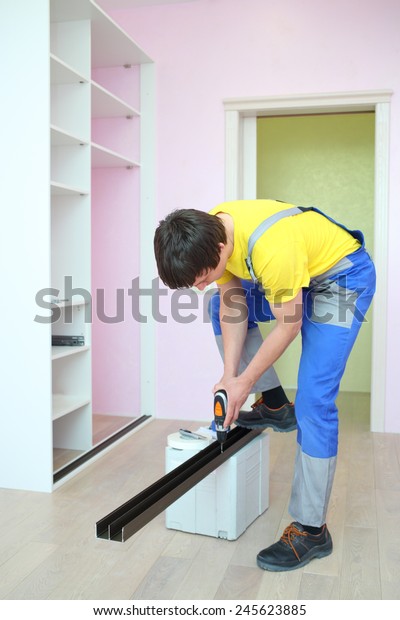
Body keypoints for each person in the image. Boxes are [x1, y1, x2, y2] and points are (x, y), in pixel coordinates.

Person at [153, 199, 376, 572]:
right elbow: (231, 301)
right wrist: (230, 377)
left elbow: (289, 325)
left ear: (221, 249)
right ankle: (274, 404)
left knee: (314, 402)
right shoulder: (212, 230)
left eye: (203, 278)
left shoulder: (273, 250)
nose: (200, 285)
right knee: (216, 308)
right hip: (299, 273)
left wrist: (245, 382)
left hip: (340, 283)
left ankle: (311, 531)